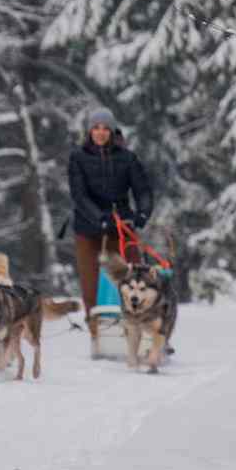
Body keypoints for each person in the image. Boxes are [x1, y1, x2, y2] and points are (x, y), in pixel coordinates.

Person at [60, 106, 154, 358]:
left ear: (112, 132)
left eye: (105, 128)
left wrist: (143, 213)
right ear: (89, 131)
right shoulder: (78, 158)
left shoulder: (127, 158)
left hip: (121, 227)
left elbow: (142, 190)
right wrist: (99, 218)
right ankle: (97, 336)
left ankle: (143, 334)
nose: (100, 133)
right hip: (88, 228)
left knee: (135, 279)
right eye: (96, 128)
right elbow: (78, 195)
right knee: (91, 286)